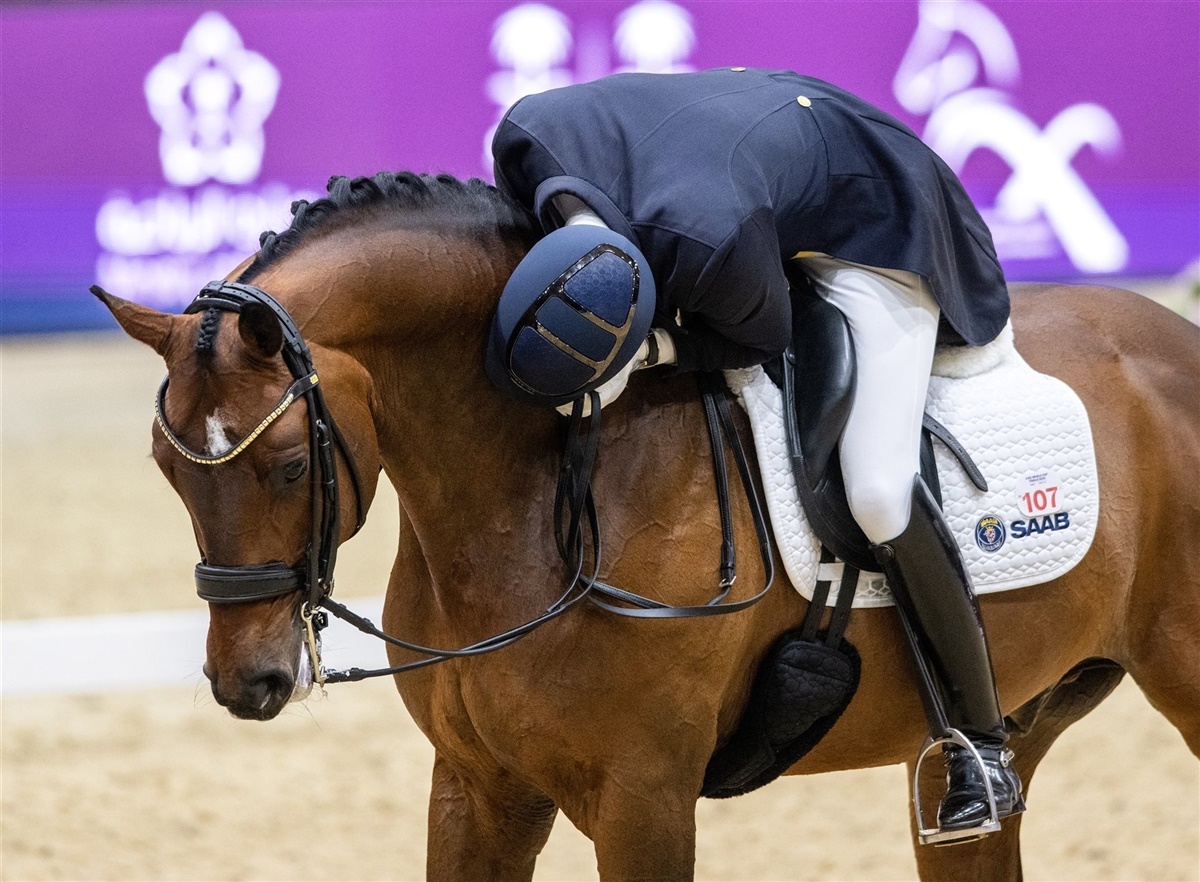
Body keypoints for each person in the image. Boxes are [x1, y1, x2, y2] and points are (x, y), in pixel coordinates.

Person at [485, 67, 1023, 842]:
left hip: (878, 217)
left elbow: (756, 338)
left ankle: (982, 744)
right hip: (747, 158)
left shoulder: (710, 244)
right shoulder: (525, 135)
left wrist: (657, 349)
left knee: (877, 490)